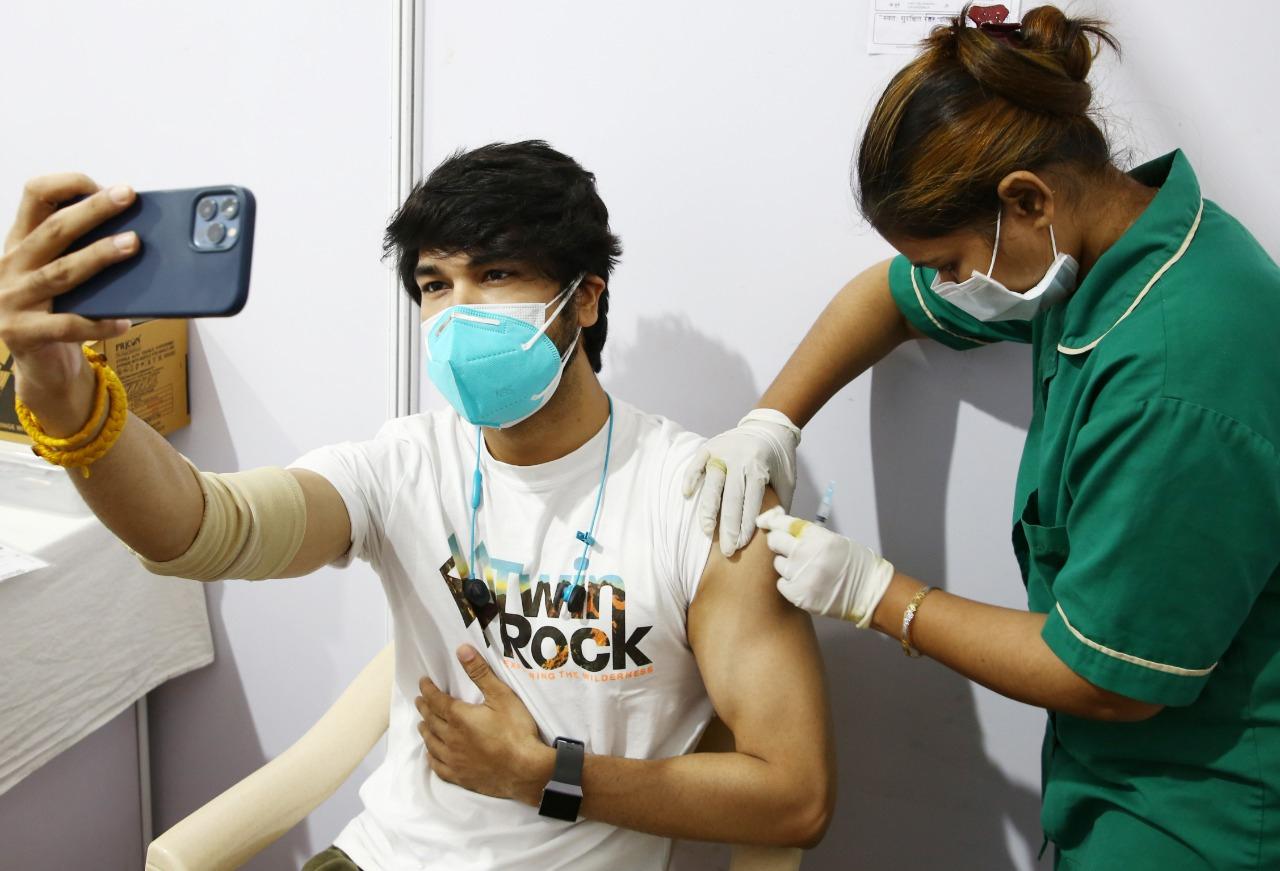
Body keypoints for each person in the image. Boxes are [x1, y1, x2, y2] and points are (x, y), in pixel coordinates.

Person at [0, 142, 834, 871]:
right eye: (436, 283)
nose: (459, 310)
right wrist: (61, 390)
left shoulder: (696, 496)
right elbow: (201, 530)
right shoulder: (404, 463)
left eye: (497, 273)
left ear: (585, 298)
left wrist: (547, 776)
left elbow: (794, 795)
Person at [684, 5, 1280, 869]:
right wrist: (770, 422)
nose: (945, 289)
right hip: (1106, 790)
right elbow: (882, 298)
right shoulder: (1098, 252)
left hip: (1201, 820)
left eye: (951, 267)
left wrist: (879, 595)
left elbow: (1104, 679)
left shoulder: (1173, 375)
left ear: (1026, 199)